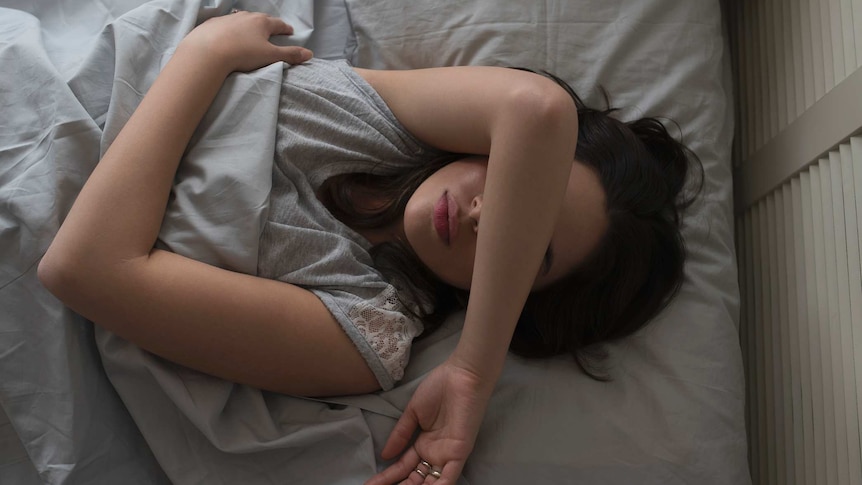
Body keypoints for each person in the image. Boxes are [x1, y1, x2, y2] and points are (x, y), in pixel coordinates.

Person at [37, 12, 700, 485]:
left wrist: (203, 59)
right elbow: (537, 110)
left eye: (530, 248)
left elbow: (85, 268)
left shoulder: (367, 327)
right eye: (515, 185)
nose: (483, 215)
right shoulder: (376, 115)